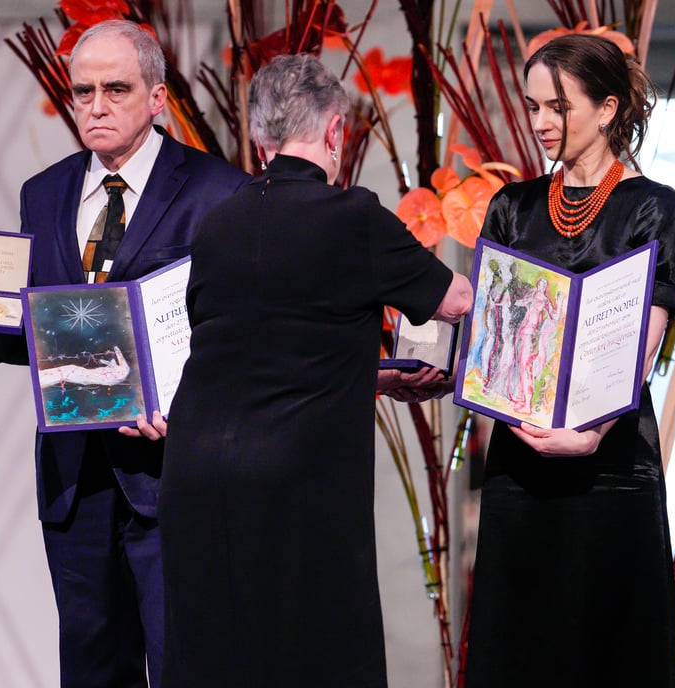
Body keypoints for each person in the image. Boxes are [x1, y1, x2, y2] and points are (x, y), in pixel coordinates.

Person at [0, 19, 249, 688]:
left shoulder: (216, 192)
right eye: (82, 91)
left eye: (116, 88)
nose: (96, 104)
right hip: (74, 474)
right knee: (89, 667)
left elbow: (237, 337)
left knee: (185, 662)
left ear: (157, 97)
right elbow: (43, 335)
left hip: (172, 471)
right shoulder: (44, 192)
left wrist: (190, 413)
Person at [157, 53, 474, 688]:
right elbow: (459, 302)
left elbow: (245, 345)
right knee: (317, 657)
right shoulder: (352, 217)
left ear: (258, 140)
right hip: (296, 483)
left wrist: (371, 375)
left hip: (197, 479)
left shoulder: (218, 224)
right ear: (335, 133)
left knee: (219, 658)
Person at [464, 33, 675, 687]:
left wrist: (586, 432)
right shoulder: (510, 207)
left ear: (607, 108)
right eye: (532, 106)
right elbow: (493, 344)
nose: (539, 122)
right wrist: (519, 423)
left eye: (556, 107)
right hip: (520, 465)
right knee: (520, 653)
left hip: (612, 467)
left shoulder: (654, 208)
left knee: (611, 654)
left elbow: (641, 348)